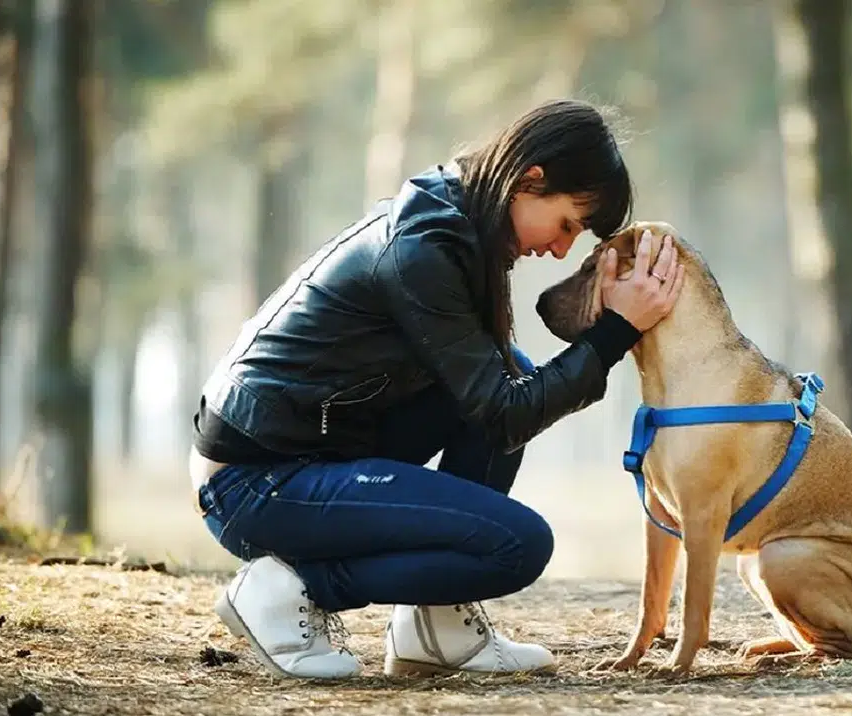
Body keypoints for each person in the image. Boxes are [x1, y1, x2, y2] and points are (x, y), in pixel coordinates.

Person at [187, 98, 686, 680]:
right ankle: (292, 587)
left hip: (314, 453)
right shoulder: (425, 247)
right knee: (517, 545)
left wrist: (606, 334)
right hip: (256, 485)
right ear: (530, 180)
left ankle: (435, 626)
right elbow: (507, 414)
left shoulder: (463, 222)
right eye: (568, 224)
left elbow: (496, 402)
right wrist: (615, 332)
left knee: (513, 369)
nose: (559, 249)